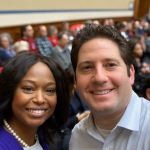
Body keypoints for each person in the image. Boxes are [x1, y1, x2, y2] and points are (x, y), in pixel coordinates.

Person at [69, 25, 150, 150]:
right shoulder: (78, 135)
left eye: (111, 65)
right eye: (87, 67)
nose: (99, 78)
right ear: (75, 81)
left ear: (131, 74)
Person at [0, 53, 70, 150]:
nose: (40, 99)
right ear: (9, 91)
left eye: (49, 90)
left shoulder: (40, 135)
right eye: (29, 88)